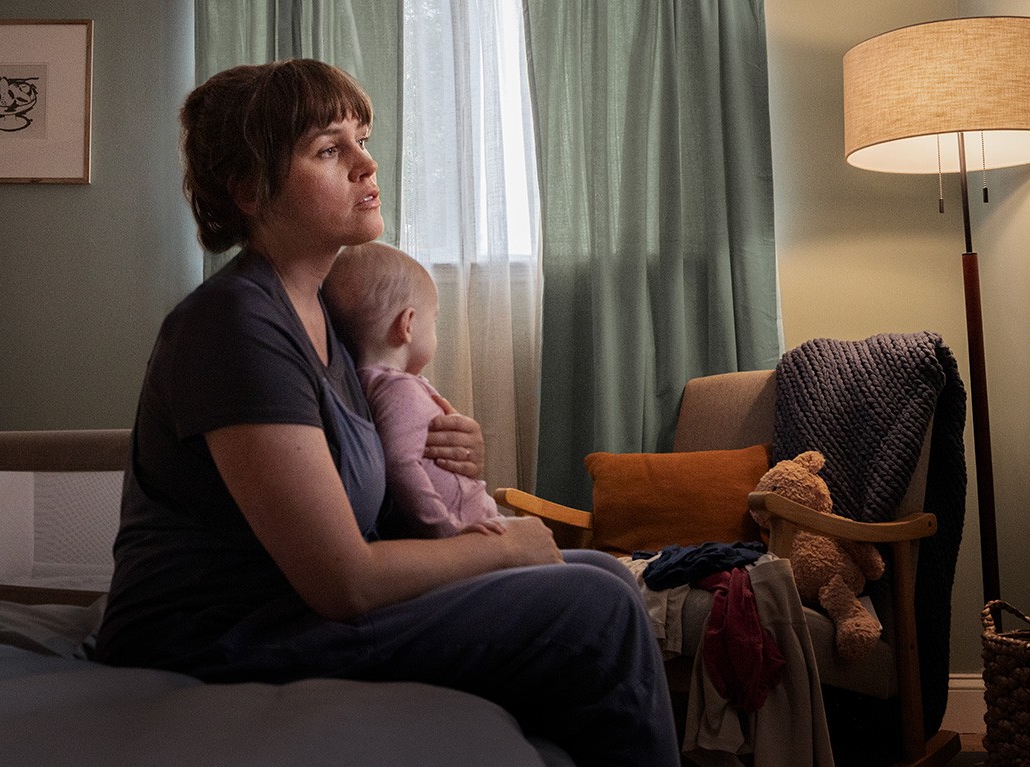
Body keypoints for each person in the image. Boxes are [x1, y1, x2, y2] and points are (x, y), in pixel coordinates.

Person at [95, 58, 680, 766]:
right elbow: (344, 580)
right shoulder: (235, 325)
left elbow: (366, 508)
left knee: (605, 575)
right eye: (328, 149)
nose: (367, 163)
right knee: (597, 605)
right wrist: (503, 546)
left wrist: (448, 456)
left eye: (362, 139)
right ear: (249, 190)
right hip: (216, 637)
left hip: (290, 612)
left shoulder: (325, 322)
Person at [322, 241, 504, 538]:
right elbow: (401, 463)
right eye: (433, 319)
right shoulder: (399, 389)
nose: (434, 331)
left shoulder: (368, 383)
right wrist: (445, 529)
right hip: (466, 528)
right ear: (407, 324)